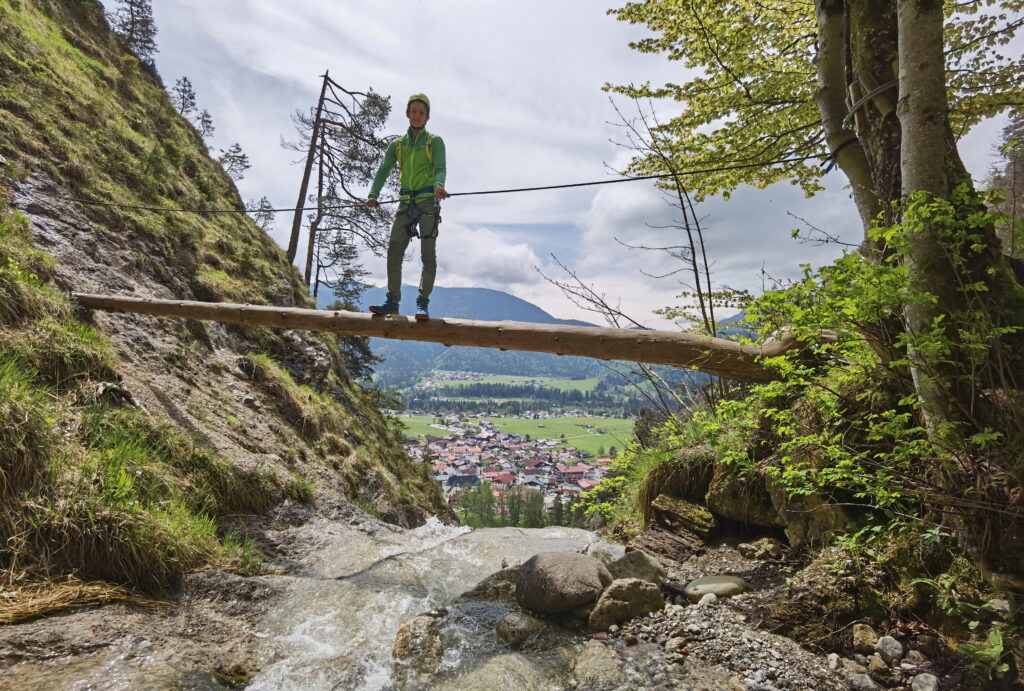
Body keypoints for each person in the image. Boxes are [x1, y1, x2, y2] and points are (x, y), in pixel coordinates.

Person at [366, 93, 449, 320]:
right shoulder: (398, 145)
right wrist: (373, 194)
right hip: (405, 202)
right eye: (414, 111)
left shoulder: (435, 141)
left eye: (421, 112)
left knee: (427, 255)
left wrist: (438, 185)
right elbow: (384, 170)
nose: (417, 115)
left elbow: (440, 168)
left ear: (427, 117)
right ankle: (392, 301)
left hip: (427, 202)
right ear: (407, 114)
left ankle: (422, 302)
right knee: (394, 250)